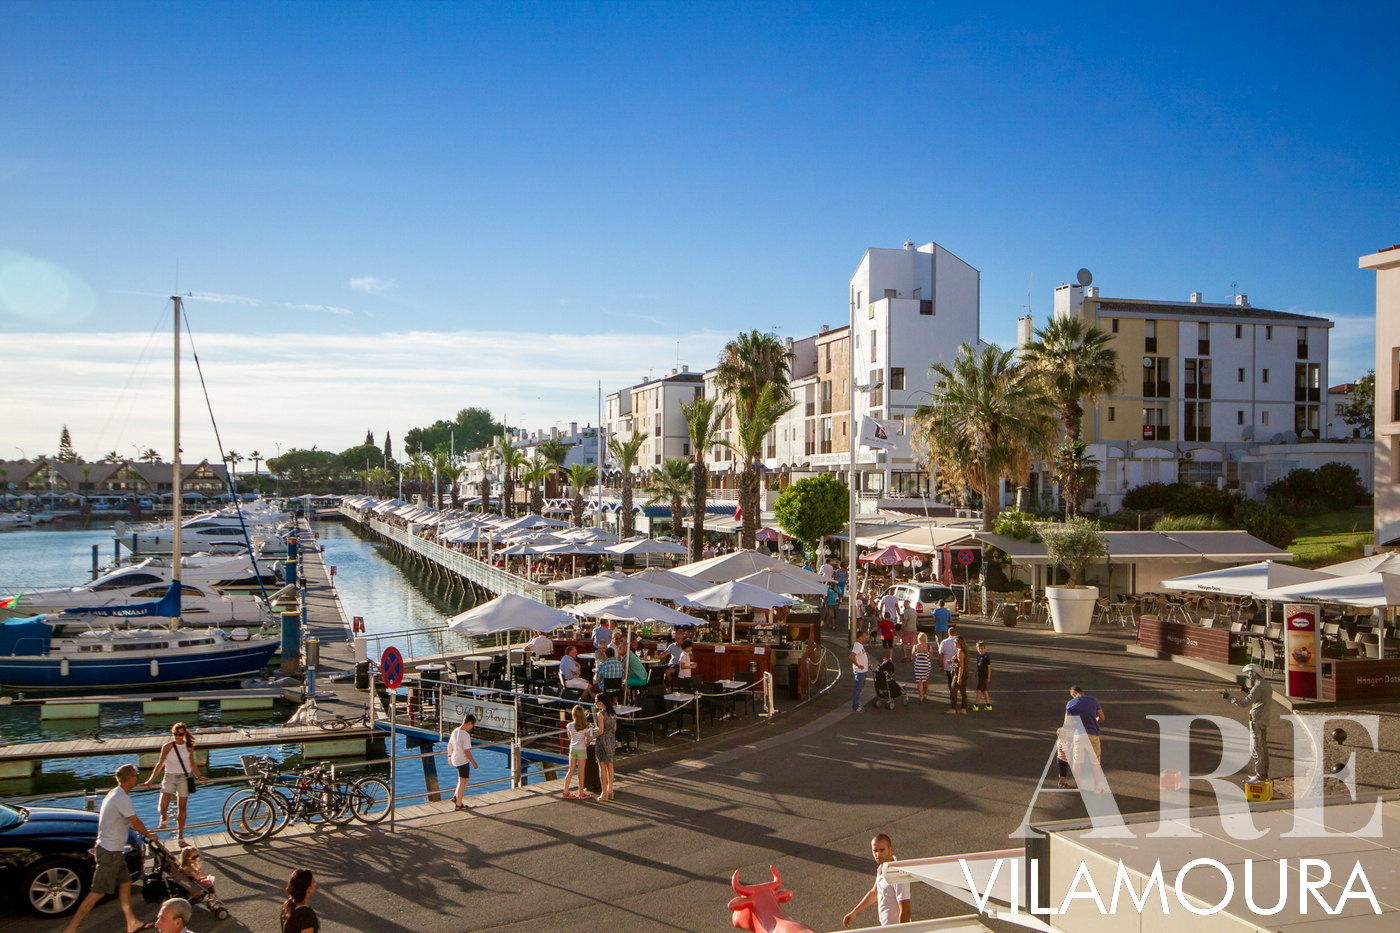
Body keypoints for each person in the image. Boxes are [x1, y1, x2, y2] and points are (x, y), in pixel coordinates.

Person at [62, 763, 156, 933]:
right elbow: (135, 822)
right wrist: (149, 835)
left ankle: (131, 923)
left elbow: (128, 823)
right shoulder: (122, 798)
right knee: (97, 892)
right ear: (128, 778)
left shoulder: (115, 793)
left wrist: (144, 832)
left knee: (126, 883)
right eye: (135, 775)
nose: (137, 777)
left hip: (114, 851)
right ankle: (71, 929)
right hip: (110, 852)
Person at [140, 721, 204, 845]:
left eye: (180, 734)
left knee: (182, 807)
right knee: (162, 806)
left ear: (184, 734)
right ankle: (164, 816)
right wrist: (150, 780)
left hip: (184, 778)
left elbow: (191, 763)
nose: (177, 737)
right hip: (169, 777)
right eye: (175, 734)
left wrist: (199, 776)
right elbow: (160, 764)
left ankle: (180, 836)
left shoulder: (189, 747)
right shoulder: (167, 746)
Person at [842, 833, 910, 927]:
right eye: (875, 851)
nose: (878, 854)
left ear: (891, 849)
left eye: (882, 850)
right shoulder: (881, 868)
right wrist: (854, 912)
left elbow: (906, 911)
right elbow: (874, 893)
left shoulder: (898, 875)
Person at [1224, 663, 1272, 782]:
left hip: (1256, 719)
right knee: (1263, 747)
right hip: (1264, 719)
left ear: (1256, 673)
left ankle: (1259, 776)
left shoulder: (1258, 687)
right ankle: (1264, 774)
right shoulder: (1266, 685)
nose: (1249, 675)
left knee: (1256, 747)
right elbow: (1257, 698)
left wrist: (1229, 698)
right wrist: (1248, 691)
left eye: (1251, 673)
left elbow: (1244, 703)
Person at [1064, 685, 1106, 792]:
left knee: (1077, 762)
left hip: (1079, 735)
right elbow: (1102, 717)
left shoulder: (1070, 703)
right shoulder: (1093, 700)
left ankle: (1079, 787)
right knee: (1095, 762)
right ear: (1082, 691)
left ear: (1074, 694)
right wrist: (1094, 720)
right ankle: (1097, 787)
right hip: (1093, 733)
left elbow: (1066, 722)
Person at [447, 713, 478, 810]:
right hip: (462, 760)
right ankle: (458, 804)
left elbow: (449, 744)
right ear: (469, 723)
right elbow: (467, 751)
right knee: (462, 781)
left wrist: (449, 756)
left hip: (455, 758)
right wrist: (474, 762)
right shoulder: (465, 735)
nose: (471, 727)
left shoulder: (455, 731)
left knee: (466, 777)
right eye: (472, 725)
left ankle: (456, 797)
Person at [562, 705, 592, 799]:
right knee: (581, 771)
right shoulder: (586, 726)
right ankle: (581, 792)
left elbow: (569, 736)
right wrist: (586, 744)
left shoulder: (569, 725)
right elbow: (589, 738)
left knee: (570, 770)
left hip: (573, 748)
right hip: (581, 749)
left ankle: (565, 791)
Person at [593, 691, 618, 801]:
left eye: (596, 701)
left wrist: (592, 736)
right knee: (610, 766)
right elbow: (614, 729)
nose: (595, 704)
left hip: (602, 741)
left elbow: (601, 731)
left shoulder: (600, 714)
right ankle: (610, 790)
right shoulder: (613, 713)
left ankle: (604, 793)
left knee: (602, 767)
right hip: (611, 739)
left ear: (601, 702)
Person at [281, 868, 319, 933]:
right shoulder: (307, 915)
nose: (315, 882)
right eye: (313, 881)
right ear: (307, 887)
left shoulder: (286, 907)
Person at [945, 634, 969, 713]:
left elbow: (961, 666)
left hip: (959, 673)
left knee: (953, 690)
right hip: (963, 673)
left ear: (959, 643)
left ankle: (953, 708)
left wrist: (959, 677)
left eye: (955, 642)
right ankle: (963, 708)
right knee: (963, 690)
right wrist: (952, 662)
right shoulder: (961, 651)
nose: (954, 644)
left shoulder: (960, 653)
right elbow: (960, 664)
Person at [849, 630, 870, 713]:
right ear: (860, 637)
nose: (865, 638)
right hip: (860, 671)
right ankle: (855, 706)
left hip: (862, 670)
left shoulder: (859, 645)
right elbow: (851, 657)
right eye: (864, 636)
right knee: (858, 689)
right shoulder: (858, 646)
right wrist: (858, 665)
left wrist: (866, 665)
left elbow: (860, 657)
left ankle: (856, 704)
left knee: (859, 688)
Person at [911, 631, 934, 703]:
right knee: (926, 680)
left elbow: (912, 657)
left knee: (919, 681)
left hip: (918, 664)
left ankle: (920, 696)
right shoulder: (929, 647)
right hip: (926, 664)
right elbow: (931, 657)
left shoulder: (915, 646)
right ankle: (925, 694)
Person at [938, 625, 959, 702]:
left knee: (950, 680)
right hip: (957, 664)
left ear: (948, 633)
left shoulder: (944, 642)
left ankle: (952, 693)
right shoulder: (958, 641)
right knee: (957, 679)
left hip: (948, 665)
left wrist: (940, 665)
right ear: (956, 633)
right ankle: (955, 693)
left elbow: (941, 654)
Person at [972, 640, 993, 711]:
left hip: (984, 676)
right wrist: (975, 673)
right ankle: (988, 705)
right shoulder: (978, 657)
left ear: (984, 648)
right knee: (984, 690)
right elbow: (977, 666)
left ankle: (976, 705)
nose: (980, 650)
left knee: (979, 690)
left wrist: (988, 677)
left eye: (981, 648)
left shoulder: (986, 657)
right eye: (978, 648)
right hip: (980, 675)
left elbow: (989, 667)